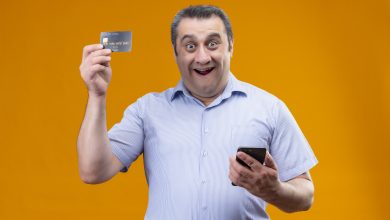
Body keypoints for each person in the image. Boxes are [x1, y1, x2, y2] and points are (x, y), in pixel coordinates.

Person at [77, 5, 318, 220]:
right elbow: (93, 170)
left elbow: (305, 195)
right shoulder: (147, 110)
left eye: (212, 43)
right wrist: (97, 95)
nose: (202, 57)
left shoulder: (269, 108)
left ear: (231, 45)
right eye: (190, 46)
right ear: (176, 52)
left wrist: (274, 190)